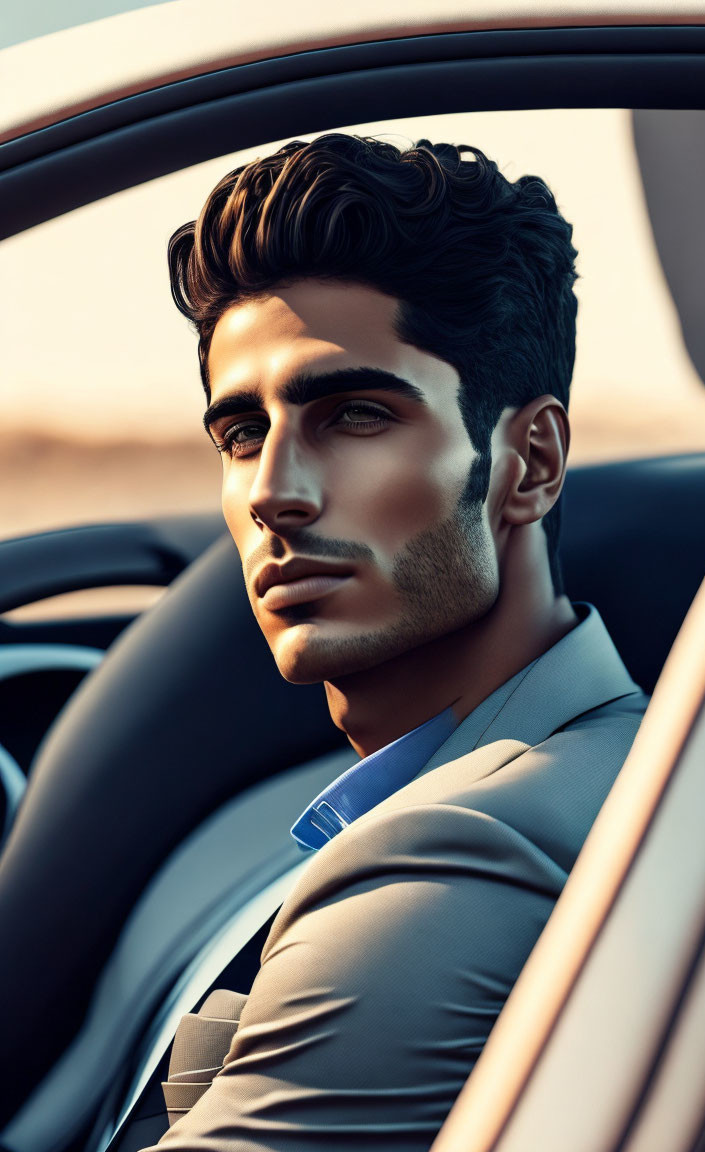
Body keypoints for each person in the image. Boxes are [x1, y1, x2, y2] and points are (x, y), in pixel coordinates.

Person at [149, 133, 648, 1149]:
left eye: (356, 414)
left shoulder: (464, 848)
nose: (276, 493)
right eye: (242, 434)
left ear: (527, 462)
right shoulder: (577, 764)